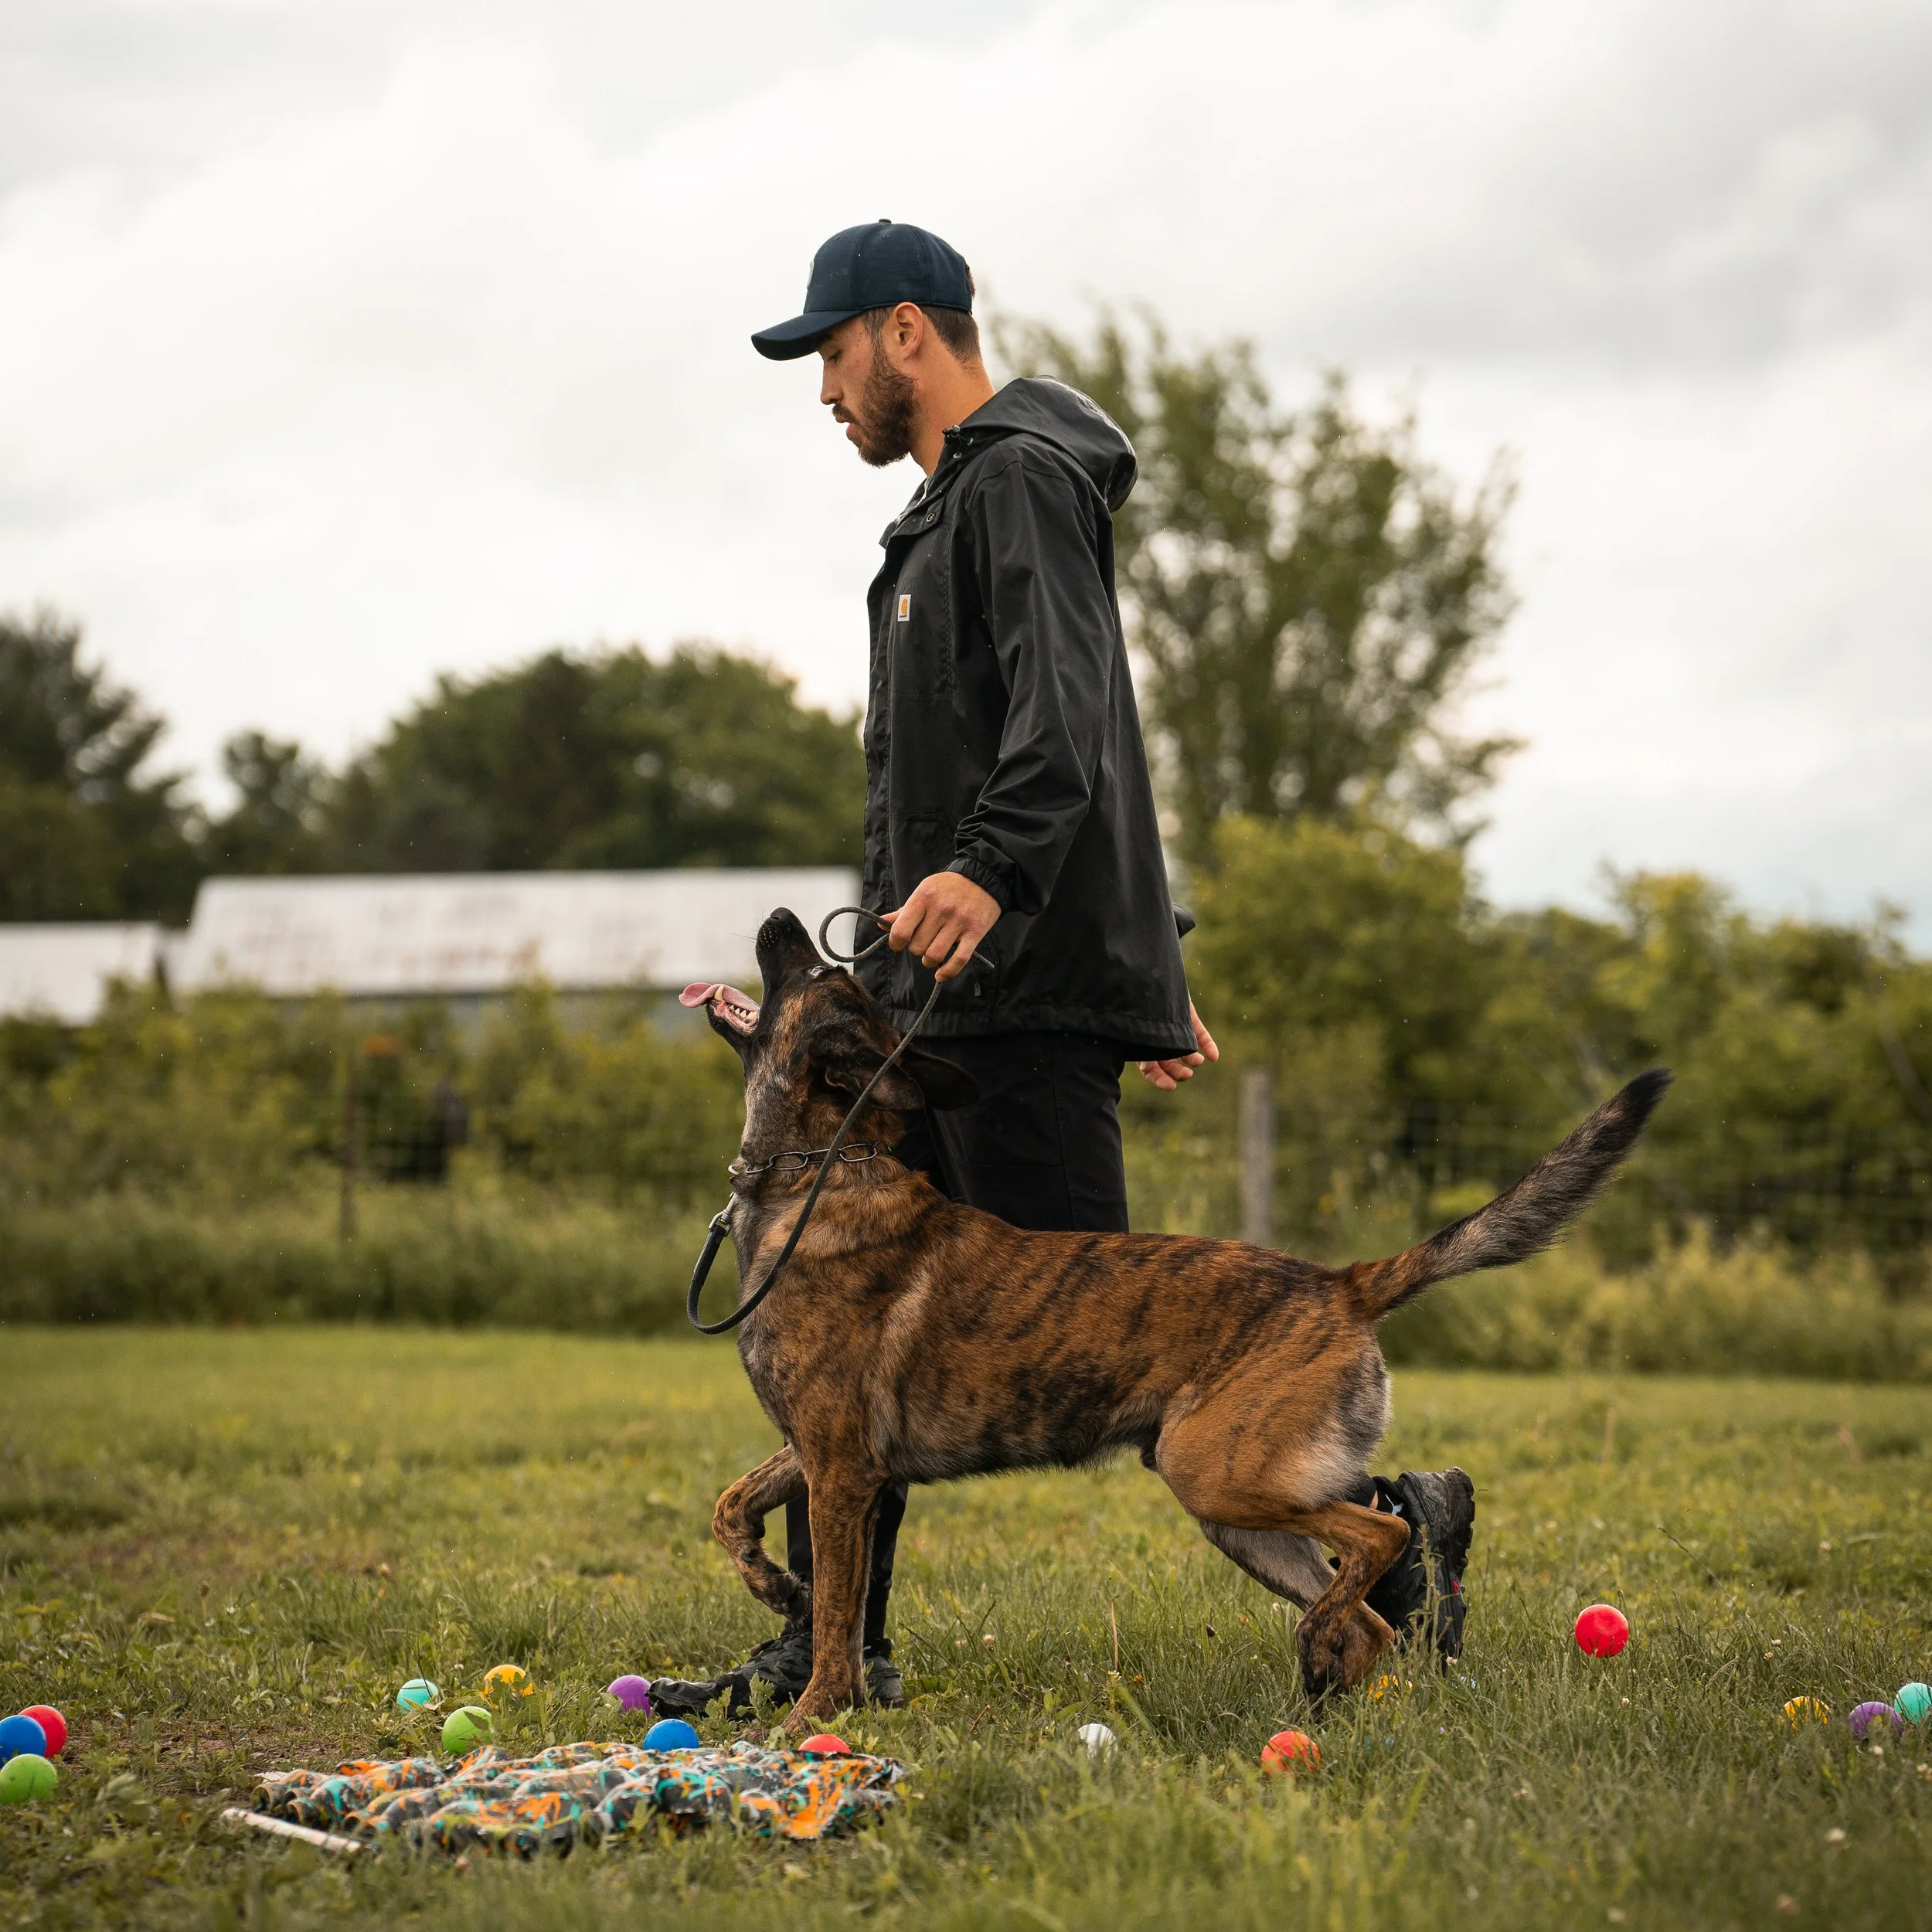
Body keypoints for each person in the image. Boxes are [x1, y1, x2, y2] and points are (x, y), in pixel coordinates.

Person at [652, 222, 1472, 1719]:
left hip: (1013, 1008)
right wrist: (1136, 956)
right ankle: (834, 1651)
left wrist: (1016, 890)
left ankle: (1398, 1533)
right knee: (856, 1319)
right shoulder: (939, 517)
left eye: (831, 355)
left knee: (1114, 1352)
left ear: (906, 332)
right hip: (937, 1009)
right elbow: (1004, 761)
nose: (823, 390)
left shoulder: (1018, 476)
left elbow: (1072, 711)